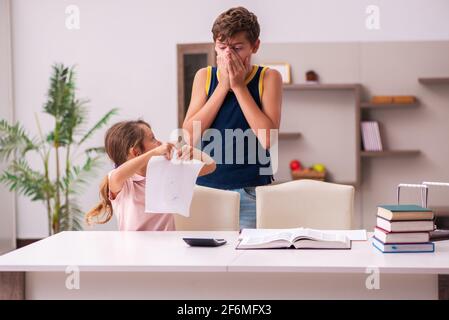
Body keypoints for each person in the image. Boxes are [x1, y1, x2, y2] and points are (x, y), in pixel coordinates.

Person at [182, 7, 282, 229]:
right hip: (206, 188)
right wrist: (223, 87)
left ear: (254, 46)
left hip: (251, 191)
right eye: (222, 47)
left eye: (237, 48)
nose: (228, 55)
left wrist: (238, 87)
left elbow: (267, 139)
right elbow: (189, 135)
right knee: (206, 261)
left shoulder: (269, 77)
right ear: (214, 45)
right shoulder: (204, 77)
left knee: (249, 261)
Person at [85, 120, 216, 231]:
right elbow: (117, 175)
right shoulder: (123, 182)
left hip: (168, 251)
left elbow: (211, 166)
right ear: (136, 152)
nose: (159, 142)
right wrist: (154, 153)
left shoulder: (168, 170)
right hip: (134, 254)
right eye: (153, 138)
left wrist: (194, 152)